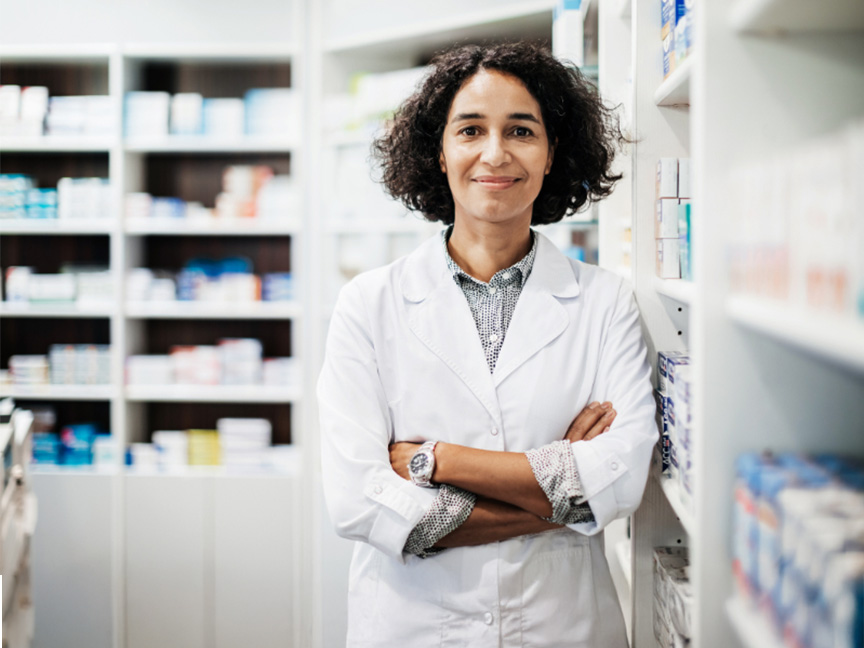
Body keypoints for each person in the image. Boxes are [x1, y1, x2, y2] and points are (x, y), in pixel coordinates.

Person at [318, 41, 657, 648]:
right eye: (471, 129)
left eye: (522, 130)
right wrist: (559, 496)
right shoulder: (368, 304)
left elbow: (621, 479)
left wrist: (436, 462)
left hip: (562, 626)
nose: (495, 154)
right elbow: (357, 502)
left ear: (553, 154)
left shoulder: (606, 302)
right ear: (440, 152)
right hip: (412, 625)